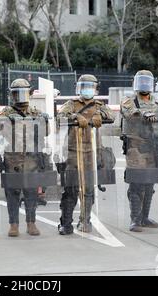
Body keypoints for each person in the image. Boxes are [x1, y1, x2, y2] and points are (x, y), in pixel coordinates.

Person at [57, 74, 114, 235]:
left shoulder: (99, 105)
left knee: (88, 189)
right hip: (74, 152)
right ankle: (66, 223)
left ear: (95, 88)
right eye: (84, 87)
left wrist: (99, 115)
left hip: (92, 152)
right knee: (71, 189)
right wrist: (76, 116)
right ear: (79, 88)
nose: (88, 90)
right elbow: (60, 116)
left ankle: (85, 220)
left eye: (90, 87)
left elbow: (112, 116)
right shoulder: (72, 104)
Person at [120, 70, 158, 232]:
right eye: (141, 82)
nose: (144, 85)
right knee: (136, 184)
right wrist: (144, 113)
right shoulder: (128, 101)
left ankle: (144, 218)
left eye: (147, 82)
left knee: (149, 184)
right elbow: (130, 113)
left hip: (154, 147)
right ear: (135, 83)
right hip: (136, 148)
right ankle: (135, 220)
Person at [0, 78, 50, 237]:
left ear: (30, 94)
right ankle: (13, 224)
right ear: (12, 95)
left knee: (31, 191)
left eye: (23, 93)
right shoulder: (6, 112)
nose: (20, 97)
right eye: (17, 93)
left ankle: (31, 223)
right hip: (13, 158)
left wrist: (45, 120)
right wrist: (7, 120)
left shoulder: (35, 112)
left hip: (31, 157)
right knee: (12, 191)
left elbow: (46, 133)